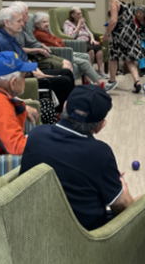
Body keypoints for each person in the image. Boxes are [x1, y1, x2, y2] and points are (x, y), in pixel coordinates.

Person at [20, 84, 137, 231]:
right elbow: (122, 207)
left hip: (33, 226)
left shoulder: (36, 133)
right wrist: (121, 187)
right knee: (139, 206)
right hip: (82, 238)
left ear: (65, 106)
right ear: (100, 126)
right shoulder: (100, 153)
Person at [0, 7, 75, 112]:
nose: (23, 24)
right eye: (19, 21)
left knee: (66, 72)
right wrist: (46, 76)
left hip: (28, 72)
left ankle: (70, 107)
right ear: (7, 23)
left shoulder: (8, 37)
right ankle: (61, 115)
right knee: (64, 81)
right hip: (20, 80)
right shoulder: (2, 42)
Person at [32, 12, 114, 92]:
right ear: (37, 24)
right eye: (44, 22)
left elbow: (58, 40)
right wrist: (59, 43)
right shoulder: (39, 34)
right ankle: (101, 85)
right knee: (84, 62)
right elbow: (55, 43)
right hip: (59, 53)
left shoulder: (45, 31)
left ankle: (86, 82)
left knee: (86, 56)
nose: (47, 24)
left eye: (47, 21)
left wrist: (58, 42)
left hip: (62, 50)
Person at [102, 0, 145, 93]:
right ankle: (137, 82)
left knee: (113, 56)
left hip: (119, 33)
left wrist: (107, 33)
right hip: (130, 32)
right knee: (129, 58)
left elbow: (113, 21)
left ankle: (111, 81)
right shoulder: (131, 1)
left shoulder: (115, 2)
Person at [11, 1, 72, 72]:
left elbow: (56, 39)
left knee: (68, 62)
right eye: (26, 13)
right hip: (36, 56)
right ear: (20, 15)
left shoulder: (24, 27)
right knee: (66, 66)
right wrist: (38, 50)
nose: (28, 16)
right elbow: (19, 49)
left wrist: (41, 45)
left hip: (42, 52)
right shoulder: (17, 30)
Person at [63, 6, 108, 79]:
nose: (80, 15)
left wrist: (92, 39)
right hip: (78, 42)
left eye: (81, 13)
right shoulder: (68, 23)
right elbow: (71, 36)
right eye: (78, 14)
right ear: (72, 15)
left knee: (98, 47)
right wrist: (79, 25)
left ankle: (100, 70)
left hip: (87, 40)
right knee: (91, 51)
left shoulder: (83, 23)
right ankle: (90, 72)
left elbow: (90, 32)